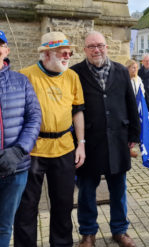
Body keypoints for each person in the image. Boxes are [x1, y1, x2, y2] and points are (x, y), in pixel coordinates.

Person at [14, 31, 86, 247]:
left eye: (69, 52)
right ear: (46, 54)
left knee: (63, 204)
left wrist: (81, 143)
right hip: (32, 151)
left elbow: (78, 111)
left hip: (64, 148)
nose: (67, 56)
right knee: (26, 207)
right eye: (63, 52)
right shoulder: (26, 76)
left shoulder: (72, 76)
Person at [71, 31, 140, 247]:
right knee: (86, 192)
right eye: (91, 46)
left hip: (118, 139)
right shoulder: (75, 73)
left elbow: (131, 104)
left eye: (100, 45)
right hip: (89, 142)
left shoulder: (121, 71)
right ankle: (88, 233)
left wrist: (134, 135)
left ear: (106, 47)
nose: (96, 50)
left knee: (118, 190)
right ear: (85, 50)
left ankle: (119, 230)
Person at [0, 30, 41, 247]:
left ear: (6, 50)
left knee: (4, 225)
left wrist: (18, 150)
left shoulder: (21, 81)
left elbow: (34, 118)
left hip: (15, 169)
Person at [125, 59, 145, 158]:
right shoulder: (124, 79)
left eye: (136, 67)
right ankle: (128, 149)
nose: (135, 69)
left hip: (137, 108)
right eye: (133, 67)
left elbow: (142, 92)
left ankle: (132, 146)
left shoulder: (138, 80)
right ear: (128, 68)